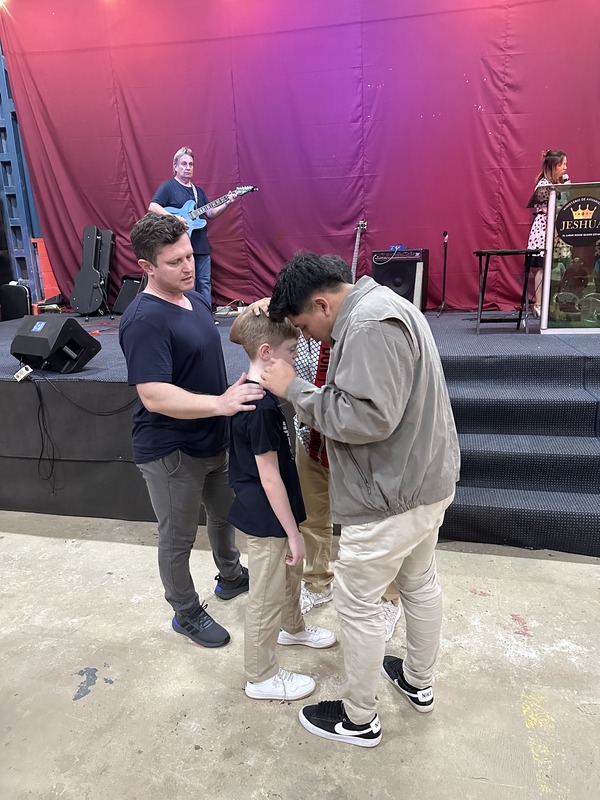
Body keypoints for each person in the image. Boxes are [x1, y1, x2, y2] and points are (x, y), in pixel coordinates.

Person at [261, 252, 460, 748]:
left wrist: (297, 391)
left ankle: (358, 718)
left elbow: (369, 419)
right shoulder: (384, 304)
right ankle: (417, 681)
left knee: (357, 603)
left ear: (323, 304)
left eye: (305, 325)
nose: (306, 338)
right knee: (419, 582)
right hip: (421, 482)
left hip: (393, 496)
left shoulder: (369, 325)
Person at [119, 213, 263, 649]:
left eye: (189, 255)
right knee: (178, 536)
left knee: (225, 516)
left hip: (210, 438)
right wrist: (219, 404)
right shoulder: (144, 320)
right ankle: (185, 611)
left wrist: (225, 394)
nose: (188, 267)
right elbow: (155, 395)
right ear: (147, 267)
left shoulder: (195, 300)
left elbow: (197, 367)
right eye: (175, 261)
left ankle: (232, 576)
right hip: (170, 450)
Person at [228, 309, 336, 702]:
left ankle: (294, 626)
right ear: (267, 352)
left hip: (278, 512)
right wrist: (293, 534)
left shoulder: (259, 396)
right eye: (292, 351)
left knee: (289, 577)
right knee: (266, 595)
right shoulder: (260, 409)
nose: (295, 358)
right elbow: (269, 477)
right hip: (267, 519)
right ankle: (261, 674)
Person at [149, 146, 235, 309]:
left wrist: (227, 203)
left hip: (201, 246)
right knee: (186, 283)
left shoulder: (199, 192)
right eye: (183, 164)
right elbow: (153, 206)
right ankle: (188, 314)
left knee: (204, 282)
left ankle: (205, 315)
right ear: (175, 166)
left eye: (190, 164)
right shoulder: (168, 187)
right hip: (179, 247)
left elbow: (210, 213)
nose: (187, 168)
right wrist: (176, 218)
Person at [526, 149, 569, 316]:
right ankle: (539, 304)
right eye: (563, 164)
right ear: (554, 166)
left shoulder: (558, 183)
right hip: (545, 229)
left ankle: (551, 303)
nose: (565, 167)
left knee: (557, 266)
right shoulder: (544, 186)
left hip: (556, 229)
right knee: (544, 267)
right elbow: (547, 209)